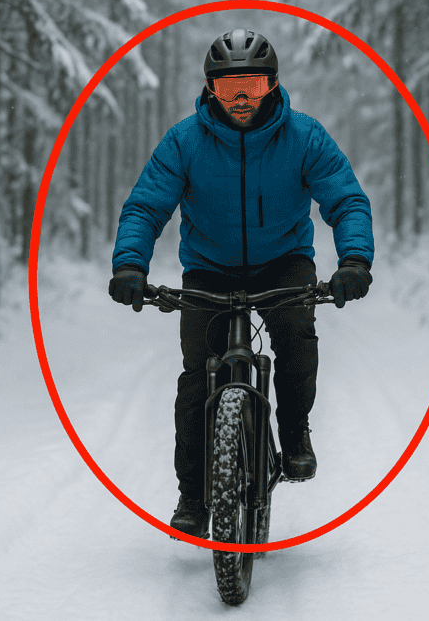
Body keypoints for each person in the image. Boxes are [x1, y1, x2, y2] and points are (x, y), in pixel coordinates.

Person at [109, 28, 374, 539]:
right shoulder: (184, 142)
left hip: (284, 262)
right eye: (229, 86)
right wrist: (130, 265)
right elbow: (146, 206)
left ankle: (294, 431)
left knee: (296, 338)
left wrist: (355, 260)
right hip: (210, 267)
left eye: (251, 84)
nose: (240, 98)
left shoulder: (305, 137)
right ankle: (192, 493)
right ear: (210, 89)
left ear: (272, 84)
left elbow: (345, 199)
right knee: (195, 376)